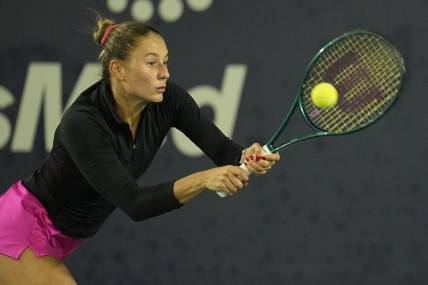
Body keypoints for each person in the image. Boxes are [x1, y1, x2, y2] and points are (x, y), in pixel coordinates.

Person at [0, 17, 280, 284]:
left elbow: (223, 150)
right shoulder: (83, 123)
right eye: (151, 63)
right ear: (117, 69)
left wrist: (247, 156)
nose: (164, 73)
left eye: (166, 62)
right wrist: (204, 179)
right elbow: (134, 203)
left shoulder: (170, 99)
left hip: (61, 238)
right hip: (20, 228)